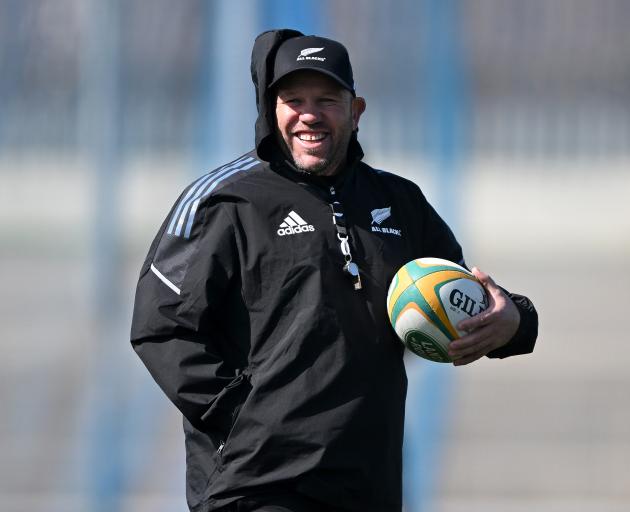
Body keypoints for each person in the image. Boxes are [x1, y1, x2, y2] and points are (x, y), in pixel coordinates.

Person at [130, 29, 538, 512]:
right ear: (270, 109)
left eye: (327, 99)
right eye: (293, 99)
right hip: (256, 483)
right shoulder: (225, 200)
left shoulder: (399, 202)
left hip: (367, 481)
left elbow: (460, 293)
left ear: (356, 110)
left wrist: (514, 319)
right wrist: (244, 417)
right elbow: (162, 325)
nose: (309, 114)